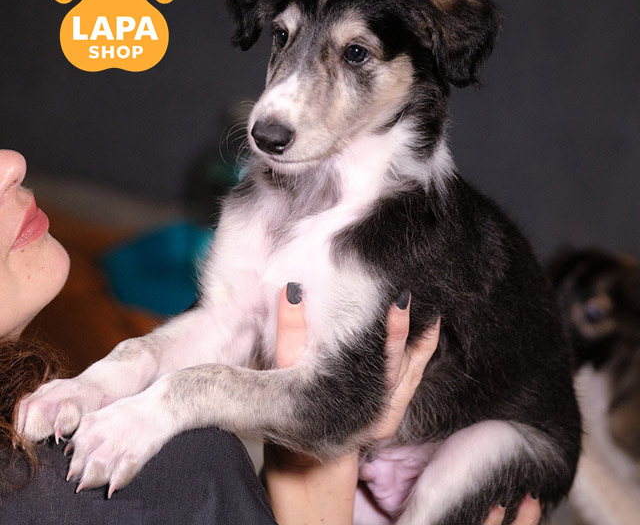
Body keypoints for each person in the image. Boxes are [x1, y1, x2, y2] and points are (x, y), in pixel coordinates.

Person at [0, 149, 541, 523]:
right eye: (283, 37)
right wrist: (311, 481)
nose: (12, 163)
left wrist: (104, 380)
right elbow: (323, 405)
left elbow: (228, 325)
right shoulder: (190, 476)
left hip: (464, 432)